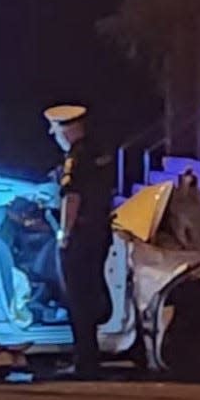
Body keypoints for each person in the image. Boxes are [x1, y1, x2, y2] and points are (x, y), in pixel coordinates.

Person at [43, 104, 114, 379]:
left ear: (68, 129)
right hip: (99, 232)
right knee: (90, 294)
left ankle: (84, 362)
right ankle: (90, 358)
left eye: (55, 129)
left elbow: (72, 197)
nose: (53, 134)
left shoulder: (76, 157)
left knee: (77, 299)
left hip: (81, 235)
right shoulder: (99, 152)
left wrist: (64, 233)